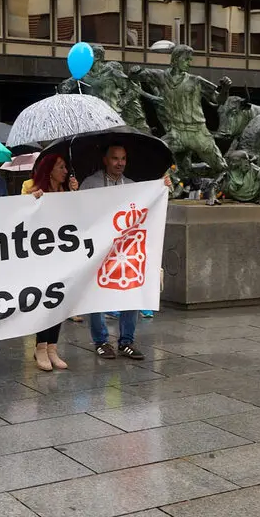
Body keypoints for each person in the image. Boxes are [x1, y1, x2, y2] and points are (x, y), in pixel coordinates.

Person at [79, 144, 172, 360]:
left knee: (131, 290)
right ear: (105, 160)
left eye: (123, 159)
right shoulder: (90, 184)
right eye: (115, 158)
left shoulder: (131, 185)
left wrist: (161, 187)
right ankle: (101, 341)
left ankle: (126, 341)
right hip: (98, 250)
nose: (119, 163)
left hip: (125, 250)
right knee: (96, 293)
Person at [25, 154, 77, 371]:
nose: (65, 171)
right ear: (49, 170)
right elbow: (21, 216)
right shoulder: (31, 187)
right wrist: (32, 201)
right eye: (61, 167)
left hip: (62, 254)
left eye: (65, 167)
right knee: (45, 300)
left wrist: (75, 194)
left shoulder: (67, 191)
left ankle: (53, 348)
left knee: (59, 300)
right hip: (41, 256)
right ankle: (41, 347)